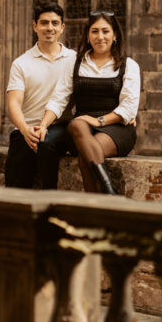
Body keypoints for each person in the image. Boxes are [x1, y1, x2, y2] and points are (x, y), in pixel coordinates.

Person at [40, 10, 140, 195]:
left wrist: (98, 121)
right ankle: (108, 195)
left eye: (105, 31)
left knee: (87, 153)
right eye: (94, 31)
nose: (100, 37)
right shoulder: (75, 63)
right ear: (87, 35)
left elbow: (128, 109)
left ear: (115, 35)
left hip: (116, 127)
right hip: (81, 129)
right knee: (78, 125)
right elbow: (59, 99)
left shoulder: (129, 66)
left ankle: (98, 202)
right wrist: (43, 125)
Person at [4, 2, 76, 189]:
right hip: (26, 128)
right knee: (15, 189)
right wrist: (25, 129)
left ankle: (49, 204)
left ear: (62, 28)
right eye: (44, 23)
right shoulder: (21, 63)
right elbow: (14, 104)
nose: (49, 28)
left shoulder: (75, 59)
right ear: (35, 27)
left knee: (46, 146)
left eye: (54, 23)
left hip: (60, 129)